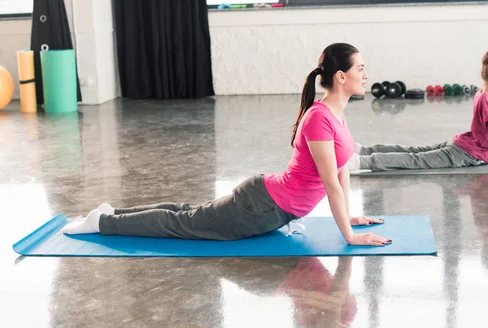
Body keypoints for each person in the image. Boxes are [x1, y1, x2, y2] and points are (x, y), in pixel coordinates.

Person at [62, 43, 392, 247]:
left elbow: (341, 170)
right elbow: (330, 184)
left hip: (270, 204)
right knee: (183, 223)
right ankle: (102, 223)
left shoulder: (336, 111)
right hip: (261, 207)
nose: (365, 75)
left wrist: (349, 216)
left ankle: (109, 214)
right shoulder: (320, 117)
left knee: (187, 213)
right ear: (340, 77)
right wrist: (348, 235)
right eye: (360, 68)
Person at [347, 50, 488, 172]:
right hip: (466, 153)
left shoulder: (483, 93)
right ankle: (361, 162)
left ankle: (363, 150)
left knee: (415, 152)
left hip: (464, 143)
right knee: (416, 160)